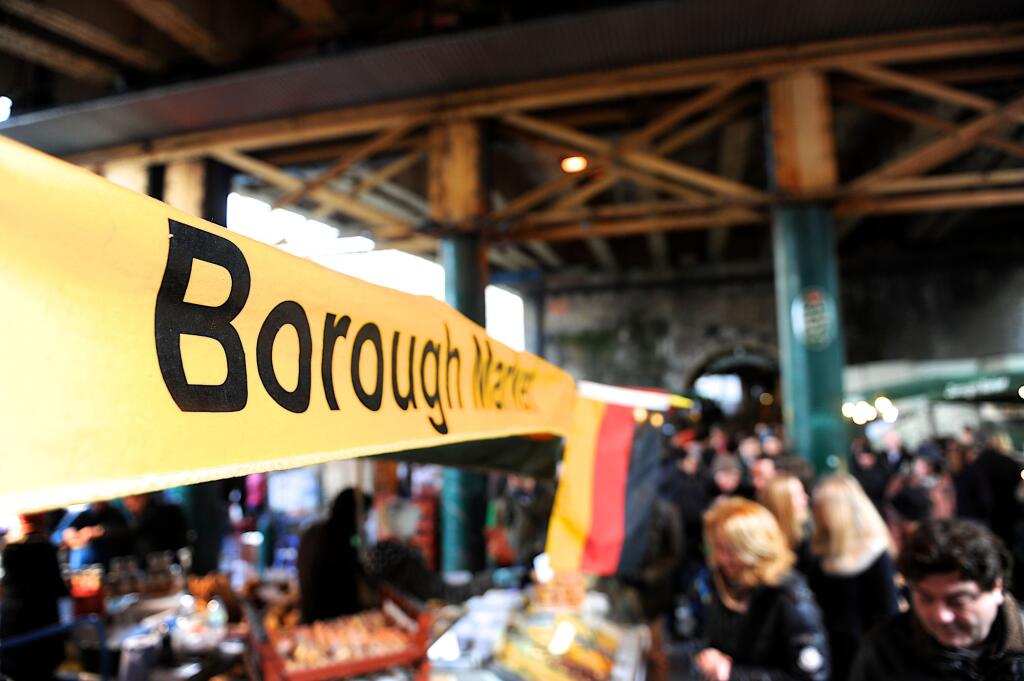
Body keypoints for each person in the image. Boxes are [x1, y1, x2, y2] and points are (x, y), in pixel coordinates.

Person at [850, 519, 1024, 680]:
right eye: (925, 599)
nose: (941, 616)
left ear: (997, 588)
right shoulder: (884, 652)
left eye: (958, 601)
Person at [694, 497, 830, 681]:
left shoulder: (789, 596)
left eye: (732, 550)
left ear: (754, 548)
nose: (722, 559)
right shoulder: (721, 584)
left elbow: (812, 676)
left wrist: (734, 674)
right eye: (718, 548)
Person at [808, 475, 899, 681]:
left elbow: (887, 613)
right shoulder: (820, 552)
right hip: (830, 651)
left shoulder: (874, 554)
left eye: (821, 507)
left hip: (864, 657)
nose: (815, 513)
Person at [1, 512, 70, 681]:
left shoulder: (11, 550)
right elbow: (61, 591)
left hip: (14, 640)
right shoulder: (45, 549)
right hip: (43, 642)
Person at [297, 489, 369, 623]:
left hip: (309, 617)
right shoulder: (340, 539)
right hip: (331, 620)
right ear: (353, 513)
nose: (366, 520)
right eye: (364, 514)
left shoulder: (314, 531)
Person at [758, 474, 813, 577]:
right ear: (782, 502)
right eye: (799, 495)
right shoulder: (761, 540)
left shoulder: (808, 535)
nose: (806, 498)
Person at [123, 493, 189, 563]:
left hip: (168, 562)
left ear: (144, 497)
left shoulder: (159, 515)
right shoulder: (140, 518)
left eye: (128, 499)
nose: (126, 504)